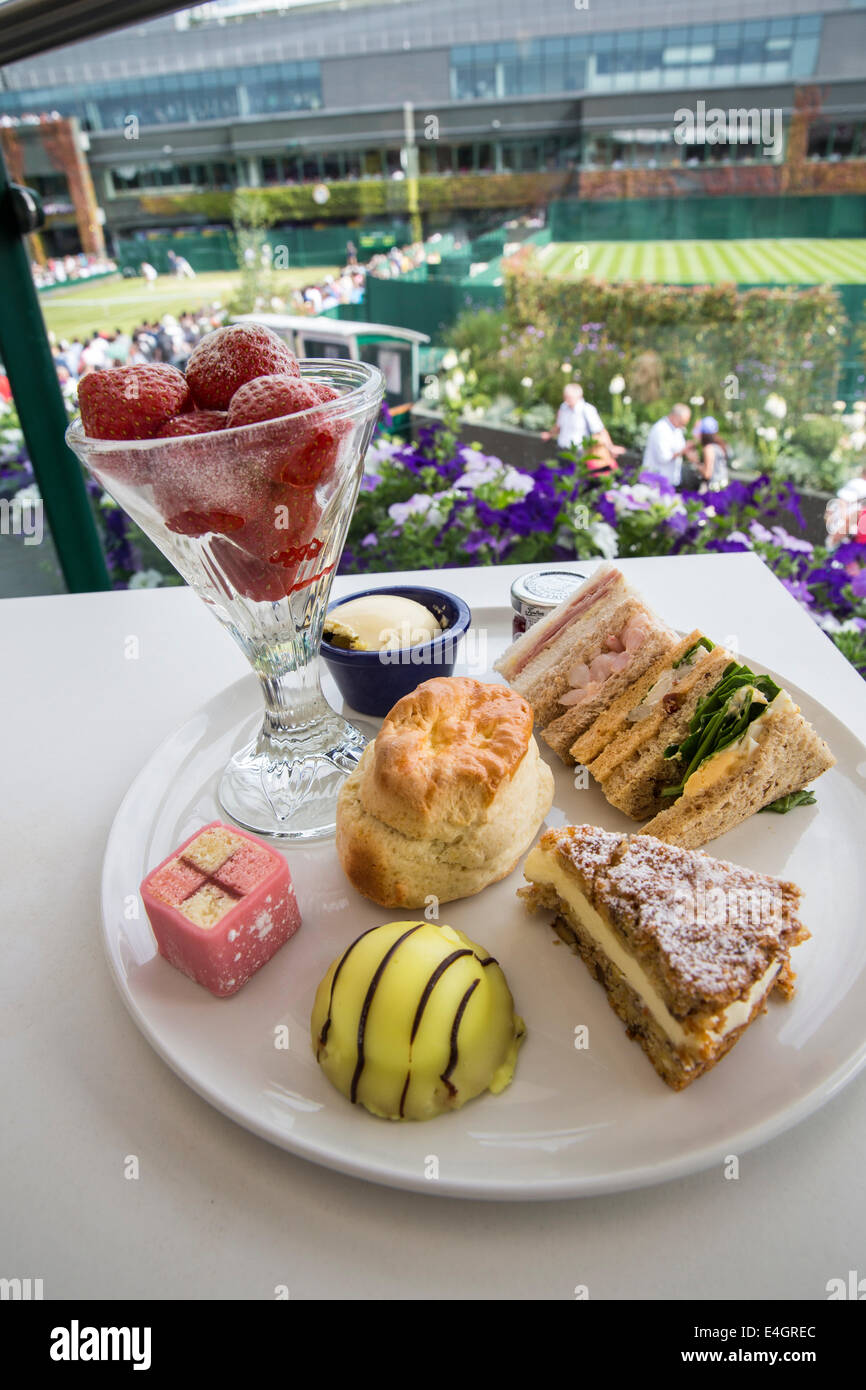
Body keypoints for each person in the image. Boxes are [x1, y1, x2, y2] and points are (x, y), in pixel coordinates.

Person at [542, 382, 623, 472]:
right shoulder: (563, 407)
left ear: (579, 396)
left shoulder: (587, 410)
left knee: (576, 478)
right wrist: (549, 434)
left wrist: (610, 447)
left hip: (579, 452)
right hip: (562, 449)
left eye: (569, 397)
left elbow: (600, 431)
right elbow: (558, 426)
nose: (566, 399)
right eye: (565, 397)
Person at [642, 404, 695, 485]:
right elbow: (663, 457)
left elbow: (680, 447)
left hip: (669, 480)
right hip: (655, 480)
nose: (683, 426)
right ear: (675, 416)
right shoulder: (661, 429)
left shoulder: (677, 430)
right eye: (682, 423)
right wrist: (682, 451)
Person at [682, 416, 728, 491]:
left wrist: (695, 461)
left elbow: (707, 474)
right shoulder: (718, 445)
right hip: (721, 486)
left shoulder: (708, 448)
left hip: (714, 488)